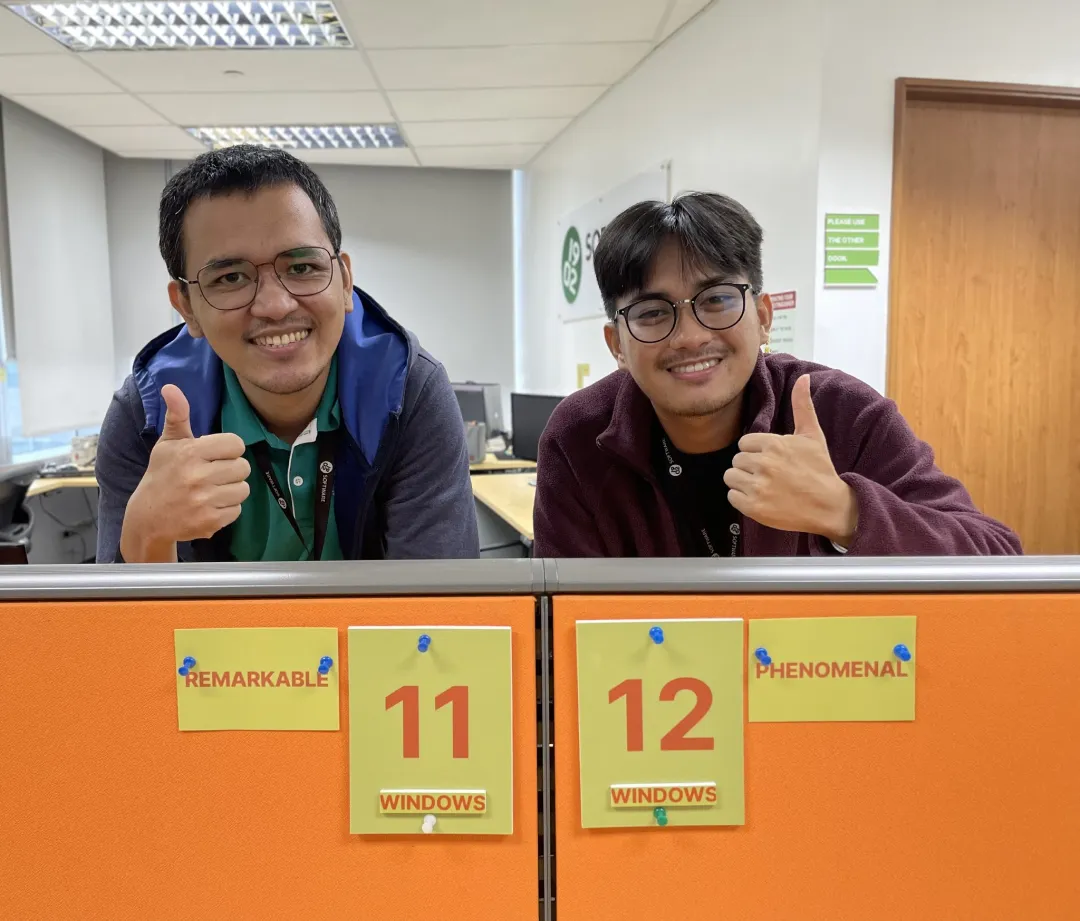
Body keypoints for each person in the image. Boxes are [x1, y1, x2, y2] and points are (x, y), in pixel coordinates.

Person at [533, 192, 1021, 557]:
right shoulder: (579, 436)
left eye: (717, 299)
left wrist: (846, 511)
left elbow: (996, 557)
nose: (689, 337)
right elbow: (556, 621)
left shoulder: (841, 412)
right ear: (617, 344)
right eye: (652, 312)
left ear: (763, 316)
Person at [96, 145, 478, 563]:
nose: (275, 306)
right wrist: (148, 535)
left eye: (302, 267)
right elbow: (127, 607)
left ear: (344, 282)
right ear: (187, 306)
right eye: (231, 277)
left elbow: (436, 599)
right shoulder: (146, 417)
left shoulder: (407, 394)